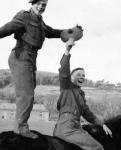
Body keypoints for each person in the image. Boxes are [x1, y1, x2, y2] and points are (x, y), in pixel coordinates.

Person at [0, 0, 76, 139]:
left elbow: (52, 32)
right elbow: (6, 28)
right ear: (32, 3)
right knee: (26, 94)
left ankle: (20, 126)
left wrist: (71, 31)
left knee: (28, 93)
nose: (41, 7)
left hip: (31, 58)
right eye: (39, 3)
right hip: (21, 55)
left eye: (44, 5)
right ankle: (21, 129)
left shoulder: (40, 22)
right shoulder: (23, 16)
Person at [53, 40, 112, 150]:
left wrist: (102, 124)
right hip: (67, 128)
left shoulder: (81, 95)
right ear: (71, 77)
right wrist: (67, 51)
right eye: (78, 74)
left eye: (83, 75)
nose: (82, 77)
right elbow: (64, 71)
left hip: (75, 126)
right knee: (98, 148)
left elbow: (88, 115)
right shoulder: (67, 87)